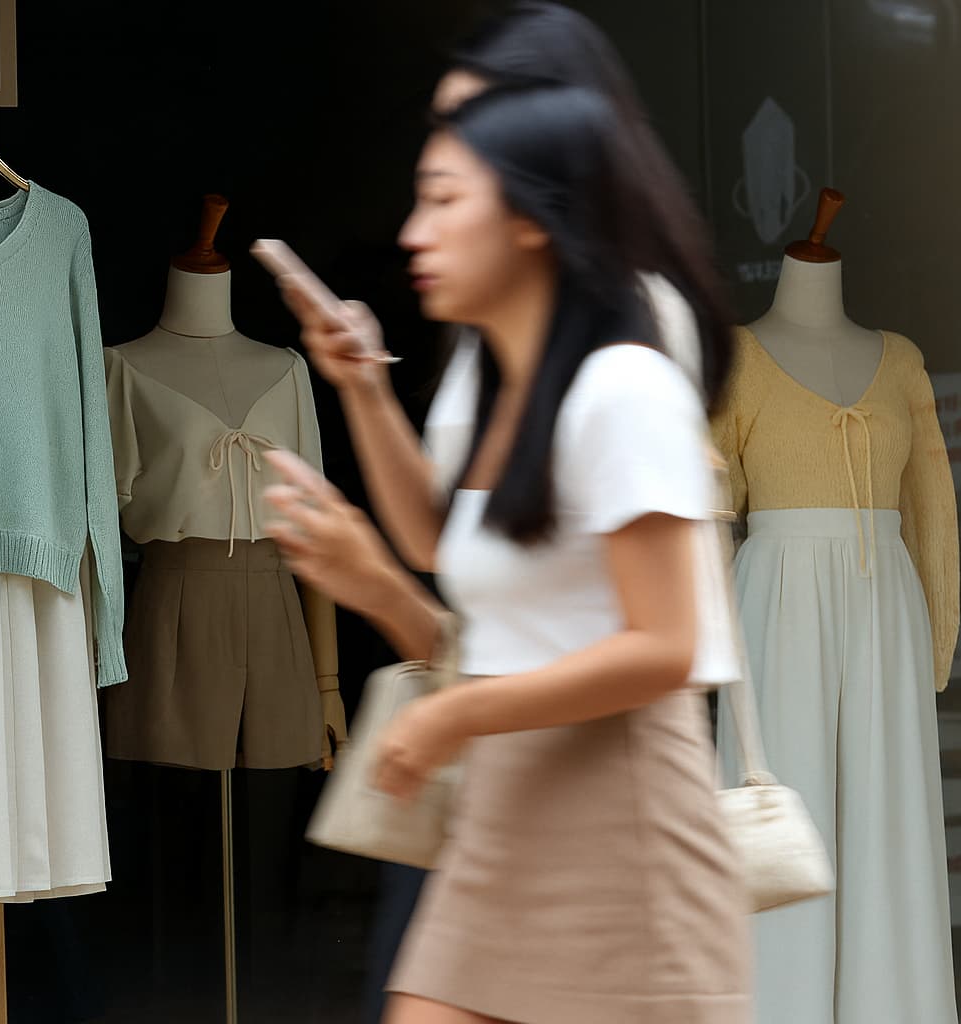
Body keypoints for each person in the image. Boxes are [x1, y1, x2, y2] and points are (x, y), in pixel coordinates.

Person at [263, 79, 750, 1024]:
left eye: (444, 199)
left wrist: (454, 712)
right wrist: (362, 396)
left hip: (619, 820)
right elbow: (446, 547)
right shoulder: (493, 383)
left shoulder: (625, 384)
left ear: (533, 216)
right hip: (501, 808)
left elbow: (663, 646)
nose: (412, 233)